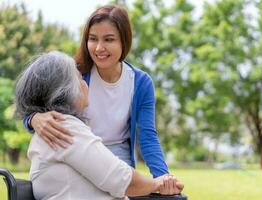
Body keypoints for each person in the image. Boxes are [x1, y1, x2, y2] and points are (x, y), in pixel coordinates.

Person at [24, 4, 168, 178]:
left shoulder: (141, 83)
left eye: (108, 40)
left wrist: (163, 177)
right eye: (93, 39)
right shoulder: (75, 74)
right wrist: (33, 119)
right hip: (78, 159)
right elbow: (36, 105)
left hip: (119, 165)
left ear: (124, 41)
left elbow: (148, 137)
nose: (99, 48)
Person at [16, 51, 183, 200]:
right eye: (79, 78)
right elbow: (121, 179)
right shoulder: (64, 128)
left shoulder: (56, 126)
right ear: (64, 91)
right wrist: (158, 183)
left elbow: (147, 138)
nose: (85, 83)